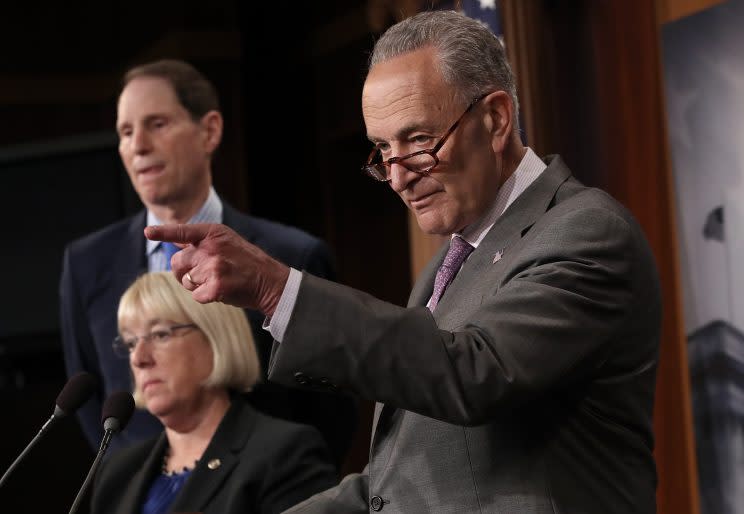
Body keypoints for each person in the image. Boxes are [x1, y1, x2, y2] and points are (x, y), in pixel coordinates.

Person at [147, 10, 662, 514]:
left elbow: (474, 374)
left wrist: (277, 290)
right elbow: (396, 483)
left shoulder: (585, 230)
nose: (398, 178)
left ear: (496, 119)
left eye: (419, 141)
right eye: (382, 152)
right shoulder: (445, 267)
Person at [59, 59, 357, 463]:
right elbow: (93, 406)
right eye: (126, 132)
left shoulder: (294, 255)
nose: (139, 145)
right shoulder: (86, 264)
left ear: (210, 130)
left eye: (157, 124)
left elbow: (330, 411)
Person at [90, 272, 337, 514]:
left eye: (160, 334)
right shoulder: (117, 472)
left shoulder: (284, 454)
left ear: (214, 336)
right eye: (131, 343)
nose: (139, 358)